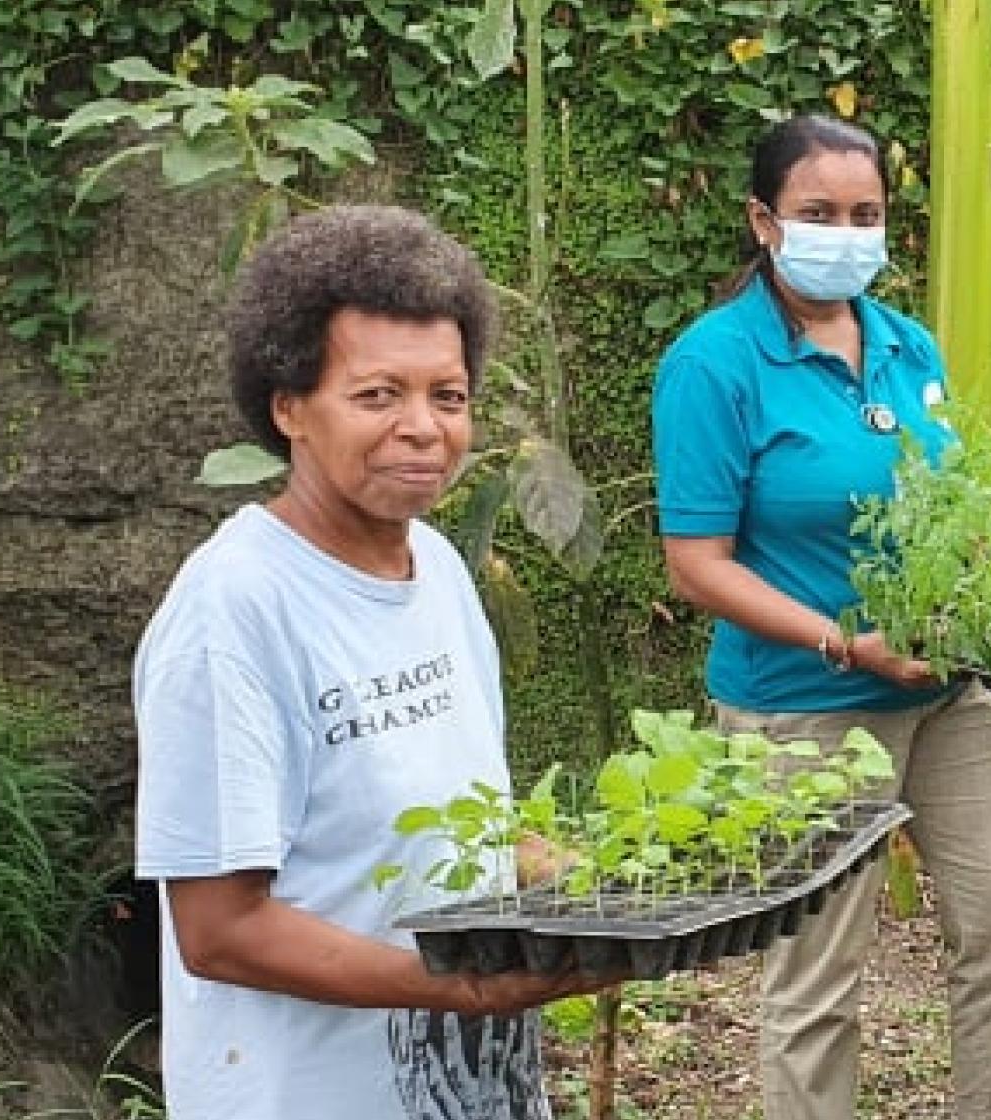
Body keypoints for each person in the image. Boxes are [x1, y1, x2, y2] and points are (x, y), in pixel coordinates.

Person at [133, 205, 605, 1120]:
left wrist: (594, 881)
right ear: (288, 408)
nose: (424, 428)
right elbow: (220, 932)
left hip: (470, 1089)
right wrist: (458, 990)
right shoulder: (234, 611)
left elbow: (459, 829)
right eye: (378, 395)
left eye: (449, 396)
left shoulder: (437, 572)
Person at [650, 114, 991, 1120]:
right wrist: (840, 640)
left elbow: (953, 507)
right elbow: (697, 563)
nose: (846, 233)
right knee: (819, 973)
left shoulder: (907, 345)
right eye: (818, 212)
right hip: (807, 709)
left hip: (951, 694)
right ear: (762, 219)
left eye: (864, 214)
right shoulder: (715, 363)